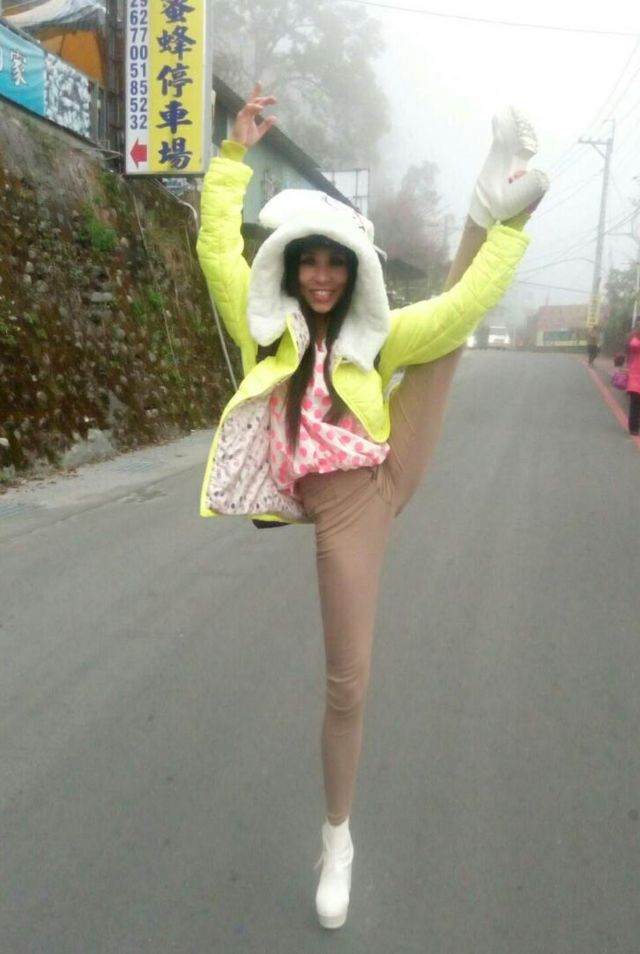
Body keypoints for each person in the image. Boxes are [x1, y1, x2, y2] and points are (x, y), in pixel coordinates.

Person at [196, 84, 548, 930]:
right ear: (290, 266)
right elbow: (215, 252)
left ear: (353, 270)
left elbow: (459, 307)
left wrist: (513, 237)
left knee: (446, 341)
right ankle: (338, 839)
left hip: (381, 475)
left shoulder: (375, 335)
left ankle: (491, 205)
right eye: (308, 261)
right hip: (334, 507)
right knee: (347, 684)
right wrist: (233, 156)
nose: (321, 275)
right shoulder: (264, 329)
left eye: (335, 263)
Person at [625, 324, 640, 435]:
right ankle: (634, 428)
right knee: (635, 404)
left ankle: (634, 428)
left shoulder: (635, 342)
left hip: (634, 376)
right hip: (636, 377)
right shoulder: (636, 344)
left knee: (635, 405)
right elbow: (634, 344)